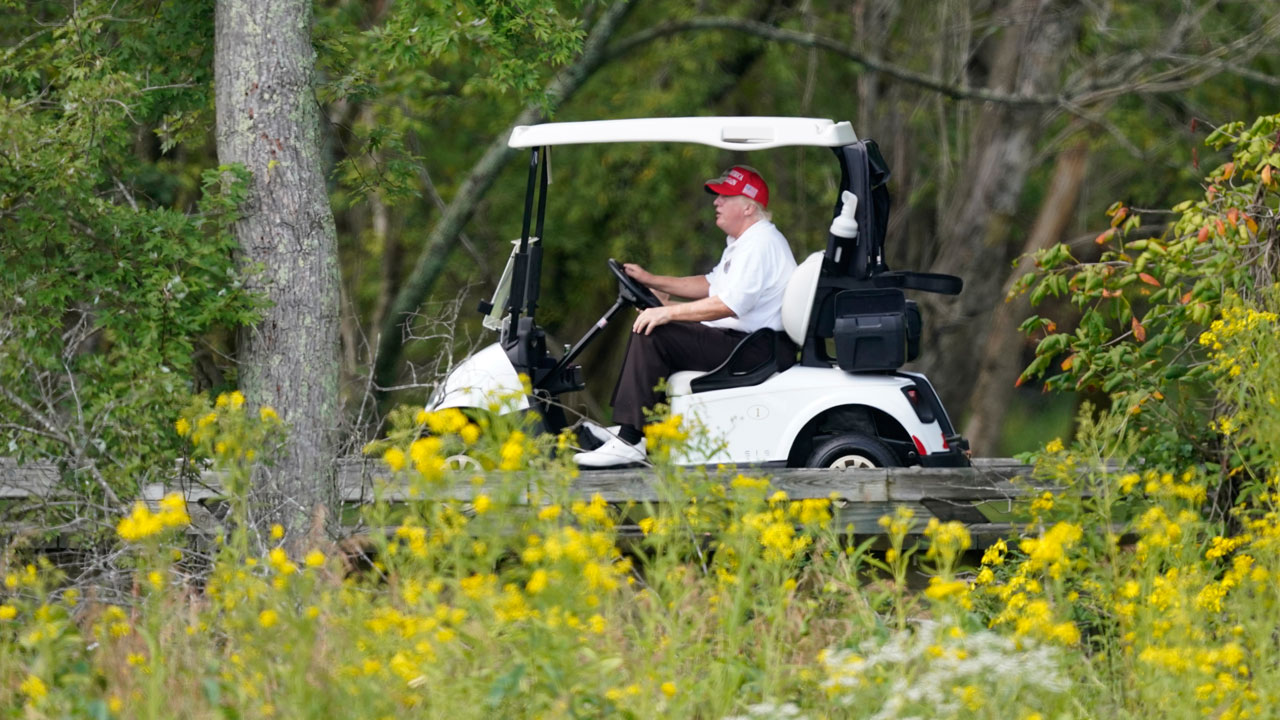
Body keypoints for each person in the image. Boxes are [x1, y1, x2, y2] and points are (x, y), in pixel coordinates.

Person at [574, 165, 798, 468]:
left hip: (755, 349)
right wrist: (653, 280)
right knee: (656, 324)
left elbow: (728, 305)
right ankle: (637, 431)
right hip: (744, 343)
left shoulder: (760, 245)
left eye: (724, 197)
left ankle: (631, 439)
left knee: (654, 331)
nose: (716, 202)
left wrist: (668, 313)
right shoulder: (744, 243)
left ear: (748, 207)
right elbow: (709, 284)